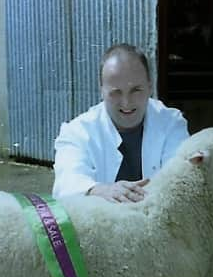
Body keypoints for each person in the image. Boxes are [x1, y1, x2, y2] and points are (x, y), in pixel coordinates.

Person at [52, 43, 190, 201]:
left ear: (150, 87)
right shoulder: (77, 132)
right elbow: (66, 182)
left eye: (136, 90)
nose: (126, 103)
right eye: (115, 92)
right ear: (101, 91)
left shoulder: (171, 123)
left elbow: (179, 177)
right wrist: (101, 190)